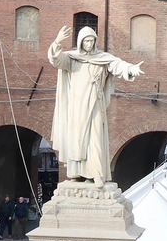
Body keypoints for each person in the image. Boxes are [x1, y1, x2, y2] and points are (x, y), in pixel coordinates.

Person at [46, 24, 144, 184]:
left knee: (95, 138)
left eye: (92, 41)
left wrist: (131, 69)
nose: (89, 45)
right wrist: (57, 41)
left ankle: (96, 173)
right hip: (77, 107)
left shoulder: (102, 58)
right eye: (86, 42)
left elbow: (117, 65)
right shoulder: (72, 59)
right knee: (77, 139)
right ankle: (77, 173)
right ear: (80, 43)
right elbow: (56, 60)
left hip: (95, 106)